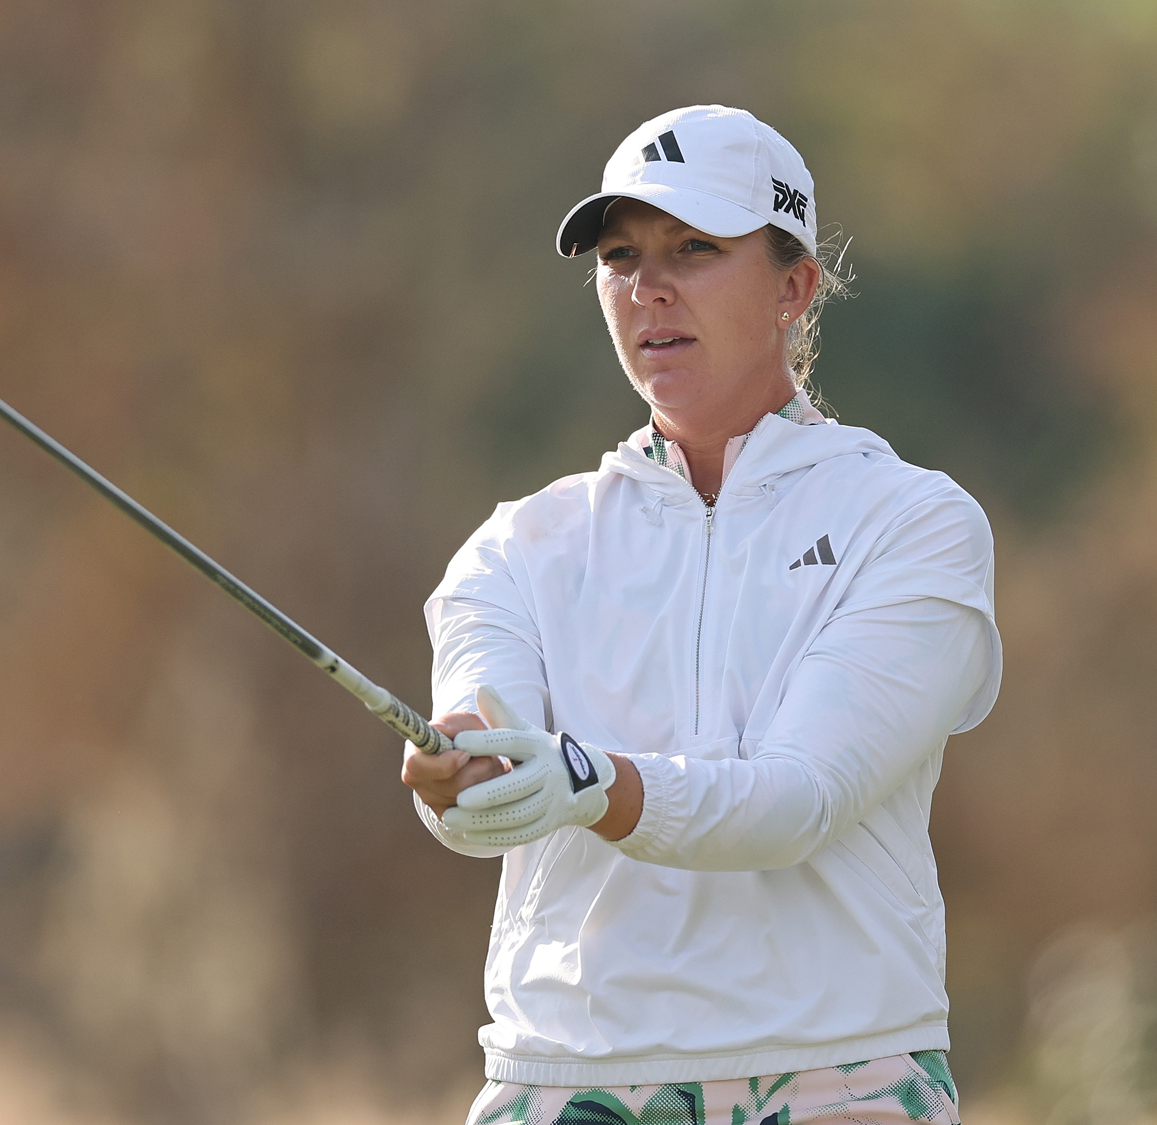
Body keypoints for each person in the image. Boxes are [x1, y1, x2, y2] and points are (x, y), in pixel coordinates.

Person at [401, 105, 1002, 1125]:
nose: (649, 287)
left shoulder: (910, 522)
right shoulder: (518, 545)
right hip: (565, 1077)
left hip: (837, 1079)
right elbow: (489, 761)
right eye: (620, 257)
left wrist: (587, 780)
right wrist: (461, 774)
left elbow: (800, 797)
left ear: (793, 288)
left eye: (693, 249)